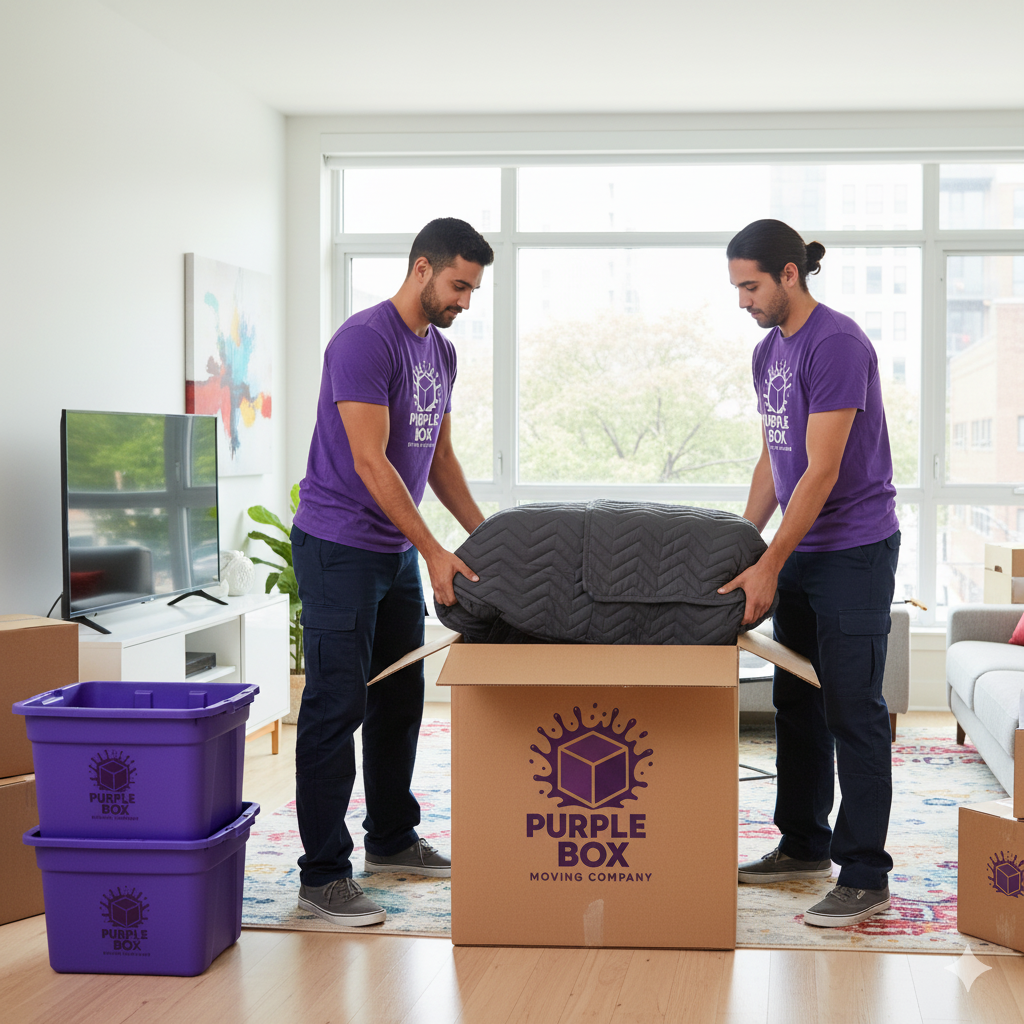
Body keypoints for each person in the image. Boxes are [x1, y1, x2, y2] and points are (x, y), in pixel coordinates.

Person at [290, 217, 493, 926]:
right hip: (339, 544)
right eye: (458, 285)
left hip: (390, 550)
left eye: (472, 289)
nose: (465, 301)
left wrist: (485, 538)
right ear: (421, 269)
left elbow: (435, 456)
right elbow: (372, 461)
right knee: (335, 704)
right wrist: (434, 550)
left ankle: (393, 837)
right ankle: (321, 877)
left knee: (400, 698)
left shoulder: (440, 353)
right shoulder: (363, 341)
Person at [719, 219, 900, 928]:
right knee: (795, 703)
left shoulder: (838, 344)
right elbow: (776, 456)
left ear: (789, 275)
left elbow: (821, 470)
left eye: (750, 286)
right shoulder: (769, 352)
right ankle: (802, 845)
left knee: (851, 708)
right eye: (737, 287)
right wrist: (745, 543)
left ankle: (864, 873)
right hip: (799, 551)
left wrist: (771, 561)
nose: (743, 301)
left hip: (852, 550)